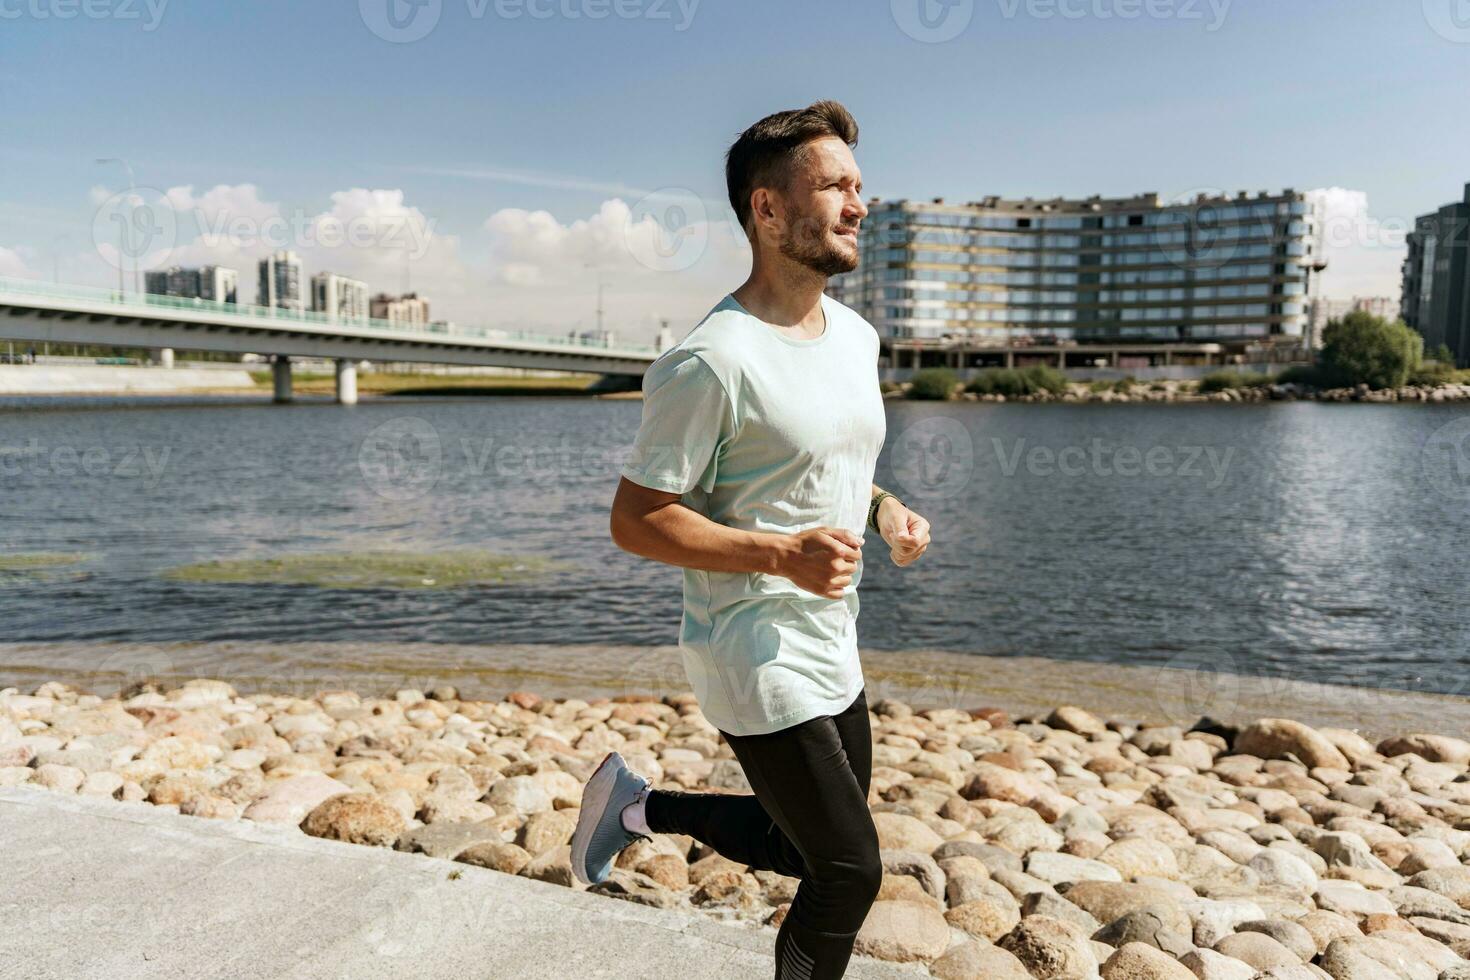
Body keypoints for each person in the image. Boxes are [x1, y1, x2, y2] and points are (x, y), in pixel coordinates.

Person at [571, 100, 932, 979]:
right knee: (849, 874)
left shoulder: (855, 336)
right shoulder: (711, 361)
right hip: (751, 646)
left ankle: (634, 810)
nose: (858, 205)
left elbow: (814, 462)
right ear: (766, 210)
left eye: (860, 187)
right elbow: (637, 518)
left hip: (830, 631)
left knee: (798, 845)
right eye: (834, 186)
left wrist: (883, 507)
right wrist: (779, 555)